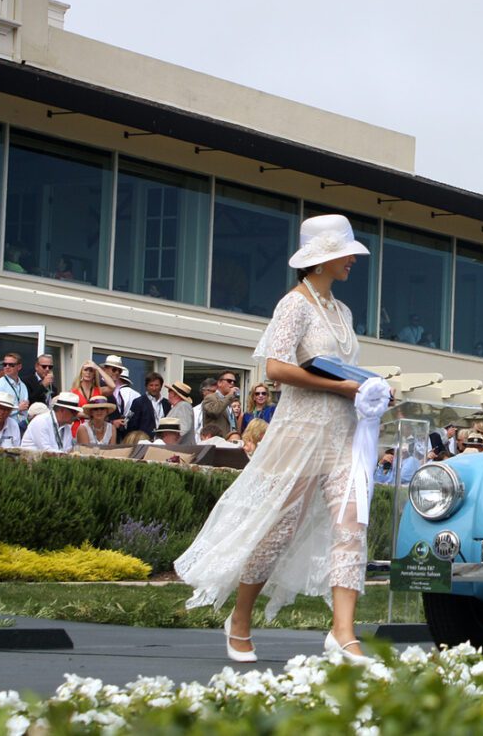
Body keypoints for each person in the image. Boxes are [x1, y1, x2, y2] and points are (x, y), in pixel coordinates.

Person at [175, 213, 376, 665]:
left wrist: (366, 388)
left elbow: (344, 370)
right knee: (278, 529)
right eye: (346, 255)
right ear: (321, 260)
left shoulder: (342, 311)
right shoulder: (294, 305)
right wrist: (342, 387)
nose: (352, 262)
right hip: (300, 431)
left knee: (351, 527)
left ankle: (343, 634)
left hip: (344, 433)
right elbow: (275, 369)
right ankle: (240, 618)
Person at [0, 353, 31, 428]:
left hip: (21, 425)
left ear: (19, 367)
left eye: (11, 365)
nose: (7, 367)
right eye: (5, 364)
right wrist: (18, 408)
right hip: (4, 426)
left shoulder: (23, 386)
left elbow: (24, 408)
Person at [199, 372, 238, 439]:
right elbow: (215, 411)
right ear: (219, 383)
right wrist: (229, 396)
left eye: (234, 381)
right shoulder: (210, 397)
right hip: (216, 442)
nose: (232, 383)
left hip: (229, 442)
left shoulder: (228, 400)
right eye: (229, 381)